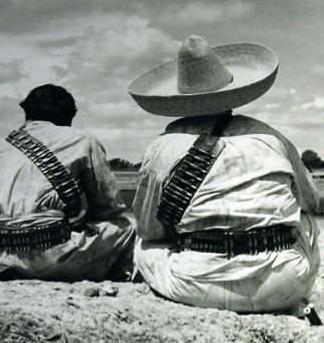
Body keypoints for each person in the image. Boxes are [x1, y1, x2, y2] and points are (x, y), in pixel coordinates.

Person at [128, 35, 320, 316]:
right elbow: (309, 202)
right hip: (284, 284)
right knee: (306, 221)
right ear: (232, 89)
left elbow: (149, 229)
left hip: (197, 287)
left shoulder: (161, 147)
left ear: (178, 99)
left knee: (144, 244)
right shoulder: (270, 136)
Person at [0, 84, 135, 282]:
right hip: (43, 256)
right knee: (127, 227)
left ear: (27, 114)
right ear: (68, 117)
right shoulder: (82, 140)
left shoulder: (1, 146)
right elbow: (109, 208)